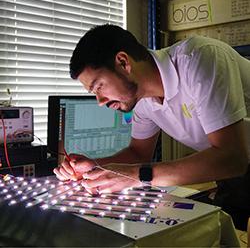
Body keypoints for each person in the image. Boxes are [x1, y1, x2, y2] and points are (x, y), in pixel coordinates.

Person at [54, 24, 250, 230]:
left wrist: (137, 176)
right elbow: (138, 154)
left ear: (123, 62)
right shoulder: (143, 102)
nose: (100, 101)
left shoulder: (199, 59)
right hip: (234, 175)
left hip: (235, 162)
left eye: (99, 86)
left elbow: (233, 158)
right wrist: (94, 166)